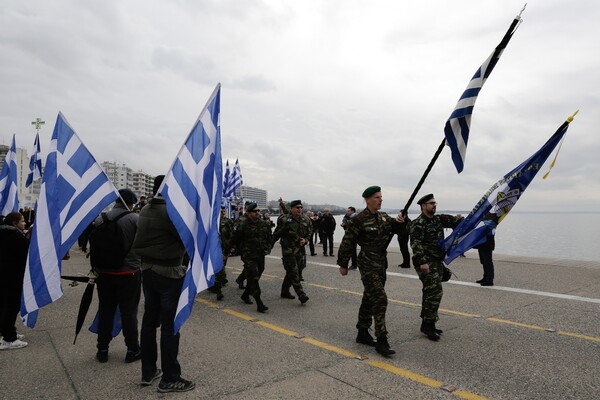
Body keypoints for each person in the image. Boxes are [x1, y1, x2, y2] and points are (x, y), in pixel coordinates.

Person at [132, 175, 195, 393]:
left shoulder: (147, 207)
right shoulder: (170, 212)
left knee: (150, 322)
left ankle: (148, 371)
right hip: (168, 272)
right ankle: (170, 377)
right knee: (170, 325)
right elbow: (187, 236)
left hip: (148, 270)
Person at [337, 187, 406, 357]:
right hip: (367, 264)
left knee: (370, 296)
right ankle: (381, 339)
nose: (380, 200)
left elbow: (397, 229)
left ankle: (362, 332)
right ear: (367, 200)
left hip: (381, 263)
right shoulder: (358, 219)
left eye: (381, 197)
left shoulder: (383, 217)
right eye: (376, 197)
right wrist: (343, 264)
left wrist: (401, 221)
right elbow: (347, 242)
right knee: (380, 298)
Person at [93, 189, 142, 363]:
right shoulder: (135, 219)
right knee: (128, 312)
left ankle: (102, 349)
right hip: (128, 273)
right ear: (131, 203)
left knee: (106, 310)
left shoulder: (101, 219)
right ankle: (132, 349)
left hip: (104, 273)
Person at [409, 194, 462, 341]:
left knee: (431, 291)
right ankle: (429, 325)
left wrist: (471, 219)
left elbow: (457, 222)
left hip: (437, 261)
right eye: (431, 203)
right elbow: (415, 244)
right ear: (423, 206)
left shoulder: (438, 219)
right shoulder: (418, 223)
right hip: (425, 261)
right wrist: (422, 262)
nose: (434, 205)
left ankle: (427, 323)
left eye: (435, 203)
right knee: (435, 291)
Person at [233, 203, 272, 312]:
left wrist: (268, 248)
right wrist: (226, 252)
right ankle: (259, 303)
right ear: (249, 213)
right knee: (254, 276)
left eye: (259, 211)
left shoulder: (263, 224)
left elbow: (270, 237)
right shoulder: (243, 225)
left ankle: (245, 294)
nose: (258, 213)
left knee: (258, 272)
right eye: (255, 211)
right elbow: (235, 239)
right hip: (248, 255)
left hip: (260, 254)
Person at [0, 212, 30, 350]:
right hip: (13, 278)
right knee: (11, 308)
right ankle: (9, 339)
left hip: (5, 277)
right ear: (14, 223)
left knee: (5, 306)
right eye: (22, 221)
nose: (24, 223)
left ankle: (7, 331)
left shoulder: (4, 233)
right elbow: (27, 254)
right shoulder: (15, 237)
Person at [272, 200, 310, 304]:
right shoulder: (284, 220)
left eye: (301, 207)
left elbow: (309, 233)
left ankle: (284, 291)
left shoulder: (305, 219)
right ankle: (301, 294)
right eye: (297, 207)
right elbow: (276, 235)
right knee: (294, 273)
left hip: (300, 251)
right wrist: (267, 247)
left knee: (293, 272)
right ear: (292, 209)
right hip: (288, 251)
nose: (300, 209)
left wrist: (305, 240)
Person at [475, 215, 498, 286]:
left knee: (488, 262)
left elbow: (489, 228)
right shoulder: (484, 218)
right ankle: (485, 277)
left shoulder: (494, 219)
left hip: (488, 241)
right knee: (483, 261)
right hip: (481, 241)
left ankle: (490, 280)